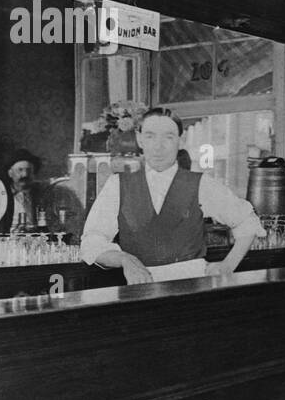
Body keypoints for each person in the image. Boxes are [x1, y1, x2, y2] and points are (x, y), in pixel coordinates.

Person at [80, 107, 264, 284]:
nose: (158, 147)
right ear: (140, 140)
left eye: (168, 137)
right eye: (150, 136)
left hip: (194, 288)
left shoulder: (201, 183)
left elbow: (247, 221)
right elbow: (92, 241)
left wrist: (227, 266)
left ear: (180, 141)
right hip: (139, 289)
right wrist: (124, 259)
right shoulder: (117, 185)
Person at [7, 149, 45, 231]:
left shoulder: (42, 195)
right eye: (20, 170)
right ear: (10, 173)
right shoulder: (3, 195)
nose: (25, 174)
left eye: (29, 170)